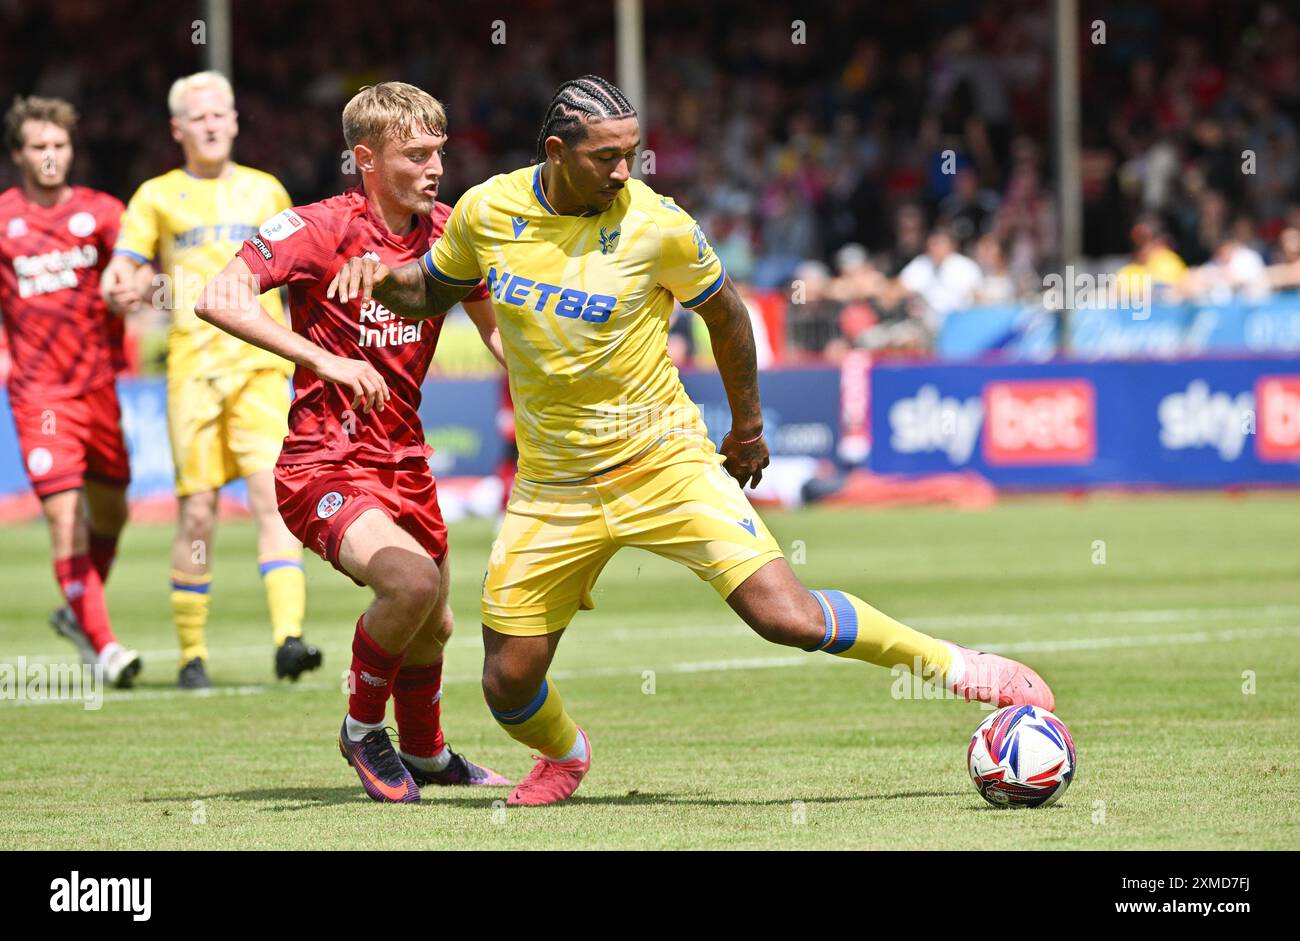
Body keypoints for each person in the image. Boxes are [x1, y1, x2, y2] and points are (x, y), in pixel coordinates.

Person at [330, 75, 1056, 807]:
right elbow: (432, 288)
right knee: (506, 682)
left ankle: (964, 668)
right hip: (553, 487)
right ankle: (567, 754)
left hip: (664, 460)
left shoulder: (659, 224)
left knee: (786, 617)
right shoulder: (489, 211)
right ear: (556, 151)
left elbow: (729, 315)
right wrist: (378, 277)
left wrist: (747, 429)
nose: (625, 172)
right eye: (607, 157)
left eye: (633, 154)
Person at [196, 82, 509, 801]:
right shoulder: (314, 228)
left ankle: (428, 752)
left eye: (440, 152)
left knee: (434, 625)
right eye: (417, 155)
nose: (435, 168)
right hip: (322, 462)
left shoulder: (450, 233)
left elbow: (494, 329)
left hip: (405, 460)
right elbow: (218, 295)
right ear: (365, 159)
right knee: (410, 583)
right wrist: (322, 357)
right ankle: (363, 729)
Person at [100, 71, 317, 689]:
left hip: (259, 367)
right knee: (196, 514)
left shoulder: (266, 191)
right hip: (193, 371)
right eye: (199, 117)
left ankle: (289, 639)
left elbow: (299, 275)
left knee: (271, 498)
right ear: (178, 129)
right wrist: (121, 284)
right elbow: (128, 267)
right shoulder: (156, 196)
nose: (213, 123)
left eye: (222, 113)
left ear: (236, 120)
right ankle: (192, 653)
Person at [0, 95, 141, 686]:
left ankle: (77, 610)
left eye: (59, 146)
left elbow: (140, 269)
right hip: (40, 396)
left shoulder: (102, 212)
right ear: (18, 155)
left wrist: (133, 287)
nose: (51, 156)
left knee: (114, 510)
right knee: (66, 520)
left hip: (99, 388)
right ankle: (106, 646)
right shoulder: (3, 219)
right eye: (39, 147)